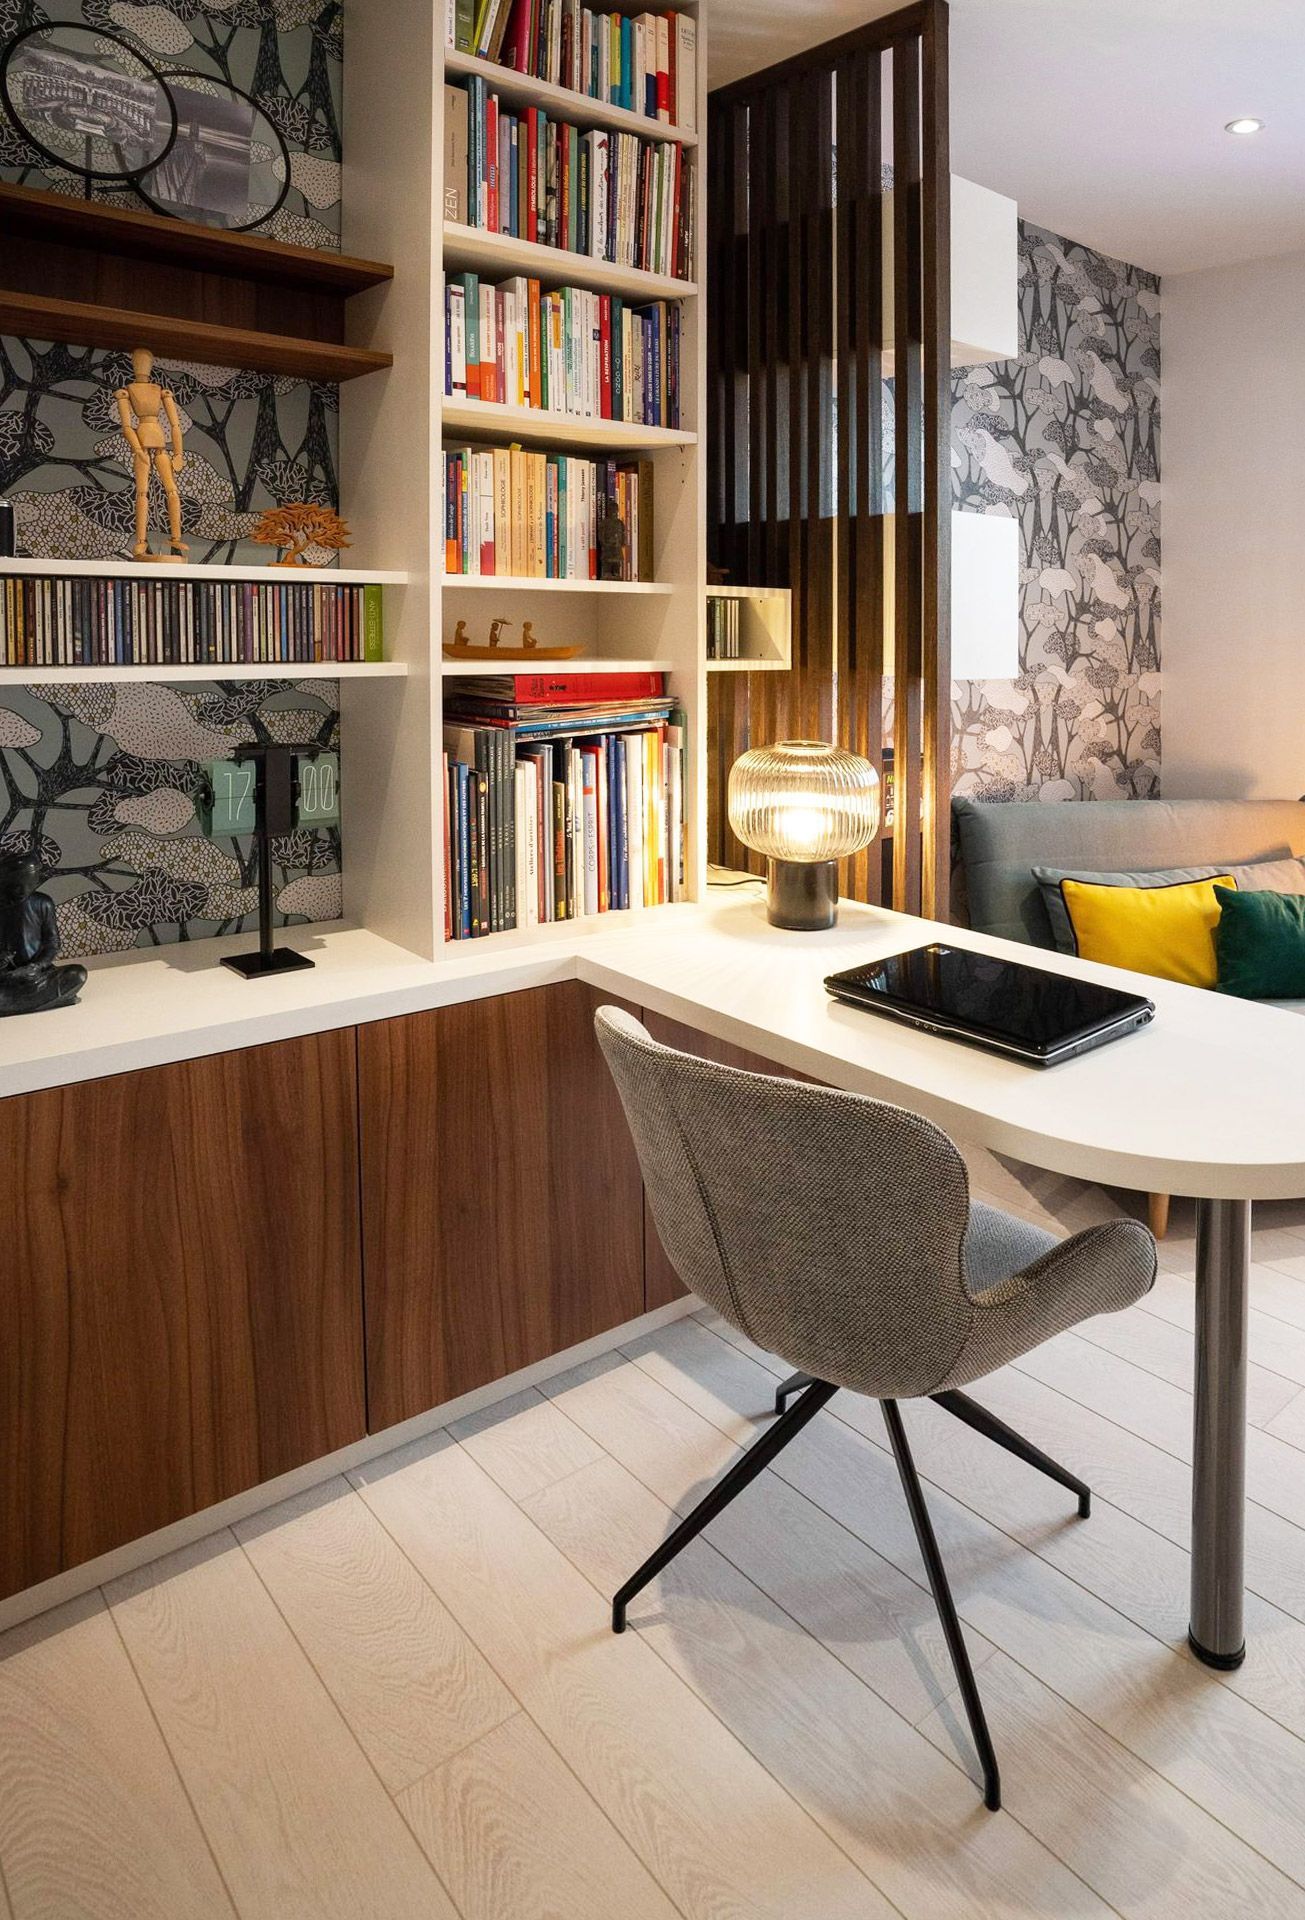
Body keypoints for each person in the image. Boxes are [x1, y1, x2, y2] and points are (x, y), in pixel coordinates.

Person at [116, 346, 188, 561]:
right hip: (143, 442)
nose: (143, 367)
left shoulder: (160, 391)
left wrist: (179, 453)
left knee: (172, 491)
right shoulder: (126, 392)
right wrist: (137, 449)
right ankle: (141, 540)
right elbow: (127, 426)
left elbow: (176, 425)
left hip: (159, 443)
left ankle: (175, 537)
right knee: (142, 493)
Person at [0, 853, 86, 1016]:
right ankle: (31, 1001)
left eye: (29, 882)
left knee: (77, 974)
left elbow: (52, 944)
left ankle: (15, 1003)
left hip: (35, 975)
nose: (23, 889)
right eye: (18, 884)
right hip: (5, 977)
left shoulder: (42, 903)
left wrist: (36, 966)